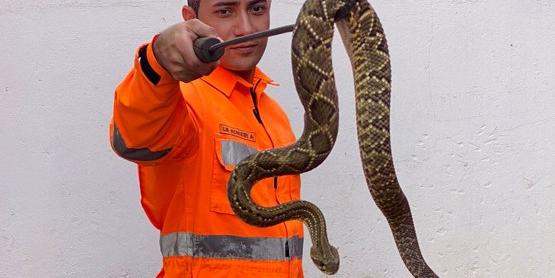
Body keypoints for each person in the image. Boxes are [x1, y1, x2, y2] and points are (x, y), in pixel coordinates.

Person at [109, 0, 304, 277]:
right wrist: (157, 61)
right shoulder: (182, 100)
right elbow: (133, 137)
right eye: (225, 11)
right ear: (191, 19)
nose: (245, 28)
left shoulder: (275, 116)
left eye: (257, 9)